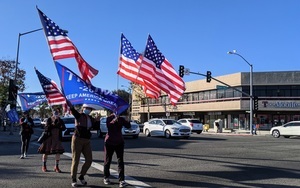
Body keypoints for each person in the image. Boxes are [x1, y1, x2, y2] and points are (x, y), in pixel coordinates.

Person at [66, 101, 100, 187]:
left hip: (87, 140)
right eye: (87, 108)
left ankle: (81, 176)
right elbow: (72, 109)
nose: (88, 110)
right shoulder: (79, 116)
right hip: (77, 139)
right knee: (75, 160)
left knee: (89, 160)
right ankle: (73, 179)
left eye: (90, 109)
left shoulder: (91, 118)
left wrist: (97, 120)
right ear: (83, 108)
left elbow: (96, 128)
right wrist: (69, 103)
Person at [103, 112, 131, 188]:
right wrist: (115, 119)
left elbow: (128, 126)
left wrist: (128, 119)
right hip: (109, 142)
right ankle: (106, 177)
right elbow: (109, 126)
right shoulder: (109, 118)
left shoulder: (121, 119)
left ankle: (121, 180)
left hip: (119, 142)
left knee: (120, 161)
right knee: (108, 160)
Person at [38, 108, 66, 173]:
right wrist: (52, 124)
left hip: (57, 138)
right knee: (46, 152)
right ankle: (44, 166)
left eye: (57, 112)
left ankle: (56, 166)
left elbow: (64, 128)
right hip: (49, 138)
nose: (56, 114)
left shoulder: (60, 120)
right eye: (55, 112)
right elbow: (46, 129)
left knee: (58, 152)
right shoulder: (49, 119)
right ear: (52, 113)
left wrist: (58, 124)